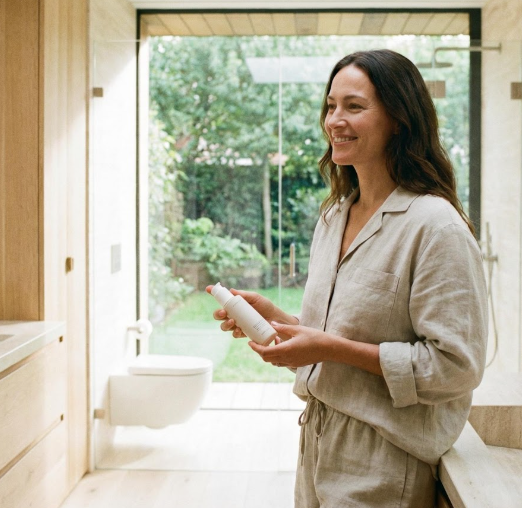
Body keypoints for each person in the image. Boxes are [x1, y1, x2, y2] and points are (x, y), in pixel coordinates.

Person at [209, 49, 487, 508]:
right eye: (330, 106)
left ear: (399, 119)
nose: (334, 120)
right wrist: (276, 319)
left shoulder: (435, 227)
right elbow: (339, 333)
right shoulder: (335, 215)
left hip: (385, 458)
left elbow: (457, 367)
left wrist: (328, 350)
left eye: (354, 107)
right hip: (318, 441)